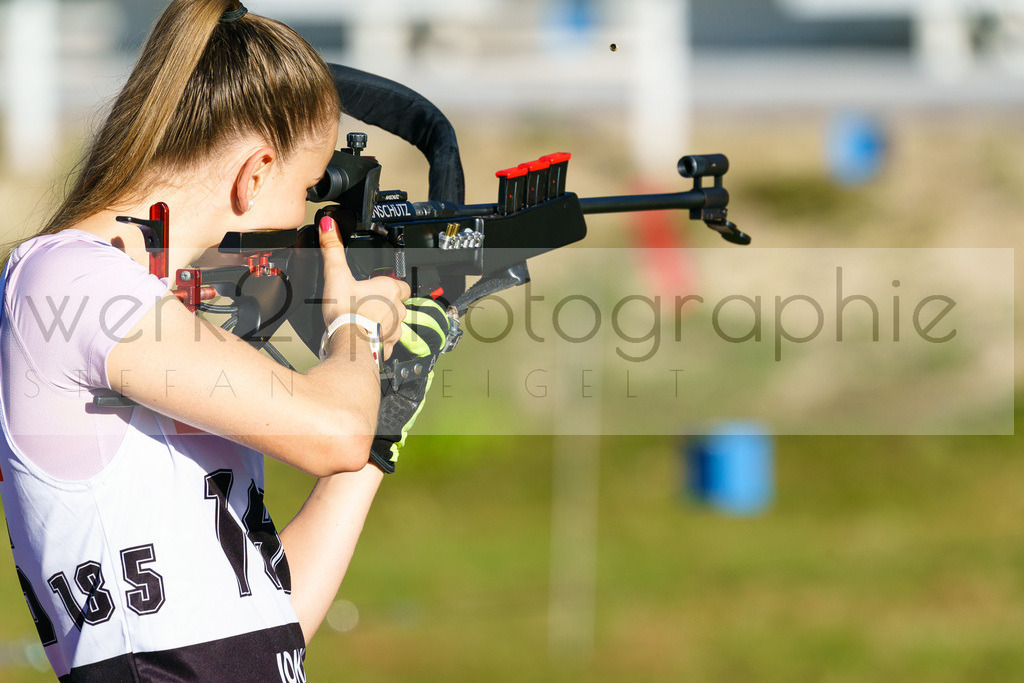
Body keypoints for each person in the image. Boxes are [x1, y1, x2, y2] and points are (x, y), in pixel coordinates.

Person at [0, 1, 434, 680]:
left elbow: (267, 627)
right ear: (254, 173)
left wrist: (383, 424)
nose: (305, 213)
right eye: (307, 188)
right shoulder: (69, 278)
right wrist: (356, 329)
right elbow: (334, 434)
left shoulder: (146, 307)